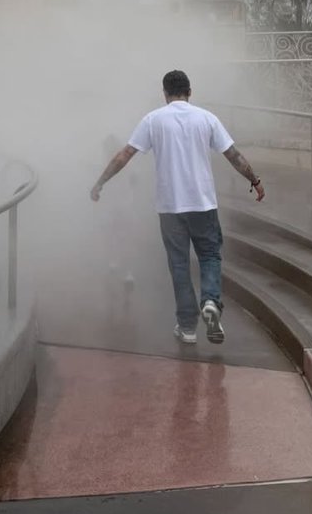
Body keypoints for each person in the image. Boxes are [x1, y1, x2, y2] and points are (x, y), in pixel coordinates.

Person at [90, 69, 264, 345]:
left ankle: (187, 327)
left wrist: (101, 182)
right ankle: (210, 301)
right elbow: (233, 155)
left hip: (170, 206)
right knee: (210, 255)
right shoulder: (207, 118)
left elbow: (125, 155)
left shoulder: (153, 120)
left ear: (165, 94)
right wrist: (254, 180)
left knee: (179, 264)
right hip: (203, 204)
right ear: (189, 92)